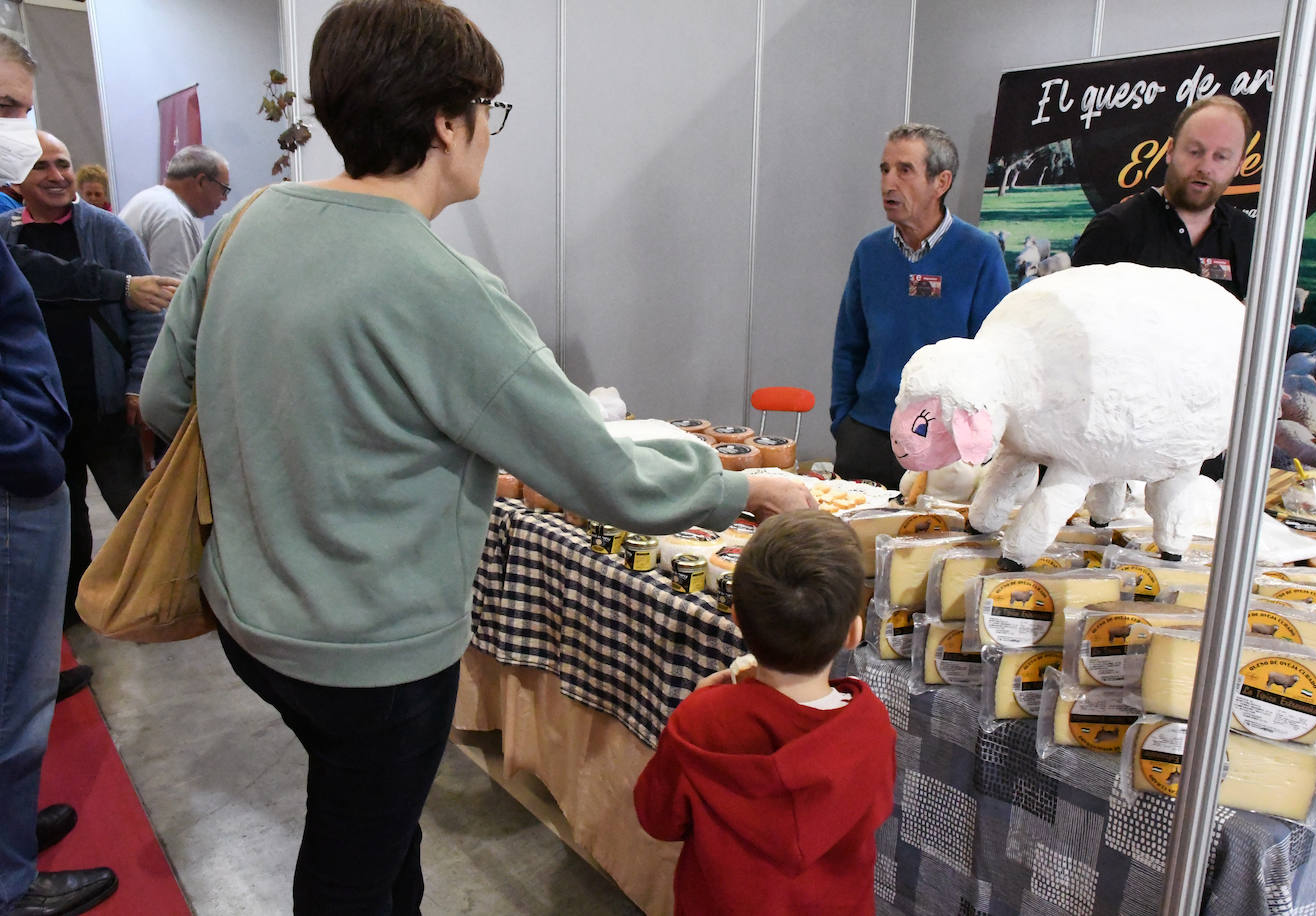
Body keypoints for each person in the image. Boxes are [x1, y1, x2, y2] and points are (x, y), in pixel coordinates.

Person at [139, 2, 814, 912]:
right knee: (351, 863)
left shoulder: (246, 222)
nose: (488, 136)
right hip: (372, 652)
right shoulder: (442, 286)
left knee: (375, 825)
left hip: (250, 617)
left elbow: (163, 403)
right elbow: (603, 472)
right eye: (485, 113)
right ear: (445, 123)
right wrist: (741, 484)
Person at [634, 510, 896, 915]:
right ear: (853, 633)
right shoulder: (871, 726)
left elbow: (658, 818)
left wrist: (694, 710)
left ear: (735, 618)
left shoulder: (702, 719)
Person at [0, 33, 118, 916]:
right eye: (6, 110)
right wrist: (30, 448)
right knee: (10, 700)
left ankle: (8, 830)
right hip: (16, 472)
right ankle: (9, 885)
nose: (27, 138)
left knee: (21, 682)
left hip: (44, 449)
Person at [0, 130, 160, 628]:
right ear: (16, 181)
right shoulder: (8, 237)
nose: (58, 175)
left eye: (63, 164)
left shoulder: (109, 231)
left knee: (137, 508)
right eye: (41, 167)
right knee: (64, 520)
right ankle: (72, 607)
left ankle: (160, 594)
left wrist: (138, 383)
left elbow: (149, 314)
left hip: (107, 405)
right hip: (41, 415)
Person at [830, 123, 1010, 489]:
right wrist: (843, 421)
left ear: (940, 182)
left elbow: (996, 359)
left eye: (905, 170)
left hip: (945, 448)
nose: (888, 183)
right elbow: (849, 344)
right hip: (867, 435)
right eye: (885, 169)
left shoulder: (979, 253)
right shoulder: (870, 252)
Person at [1070, 95, 1255, 301]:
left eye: (1221, 157)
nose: (1205, 167)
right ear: (1170, 150)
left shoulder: (1246, 235)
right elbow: (1077, 321)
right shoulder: (1114, 229)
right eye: (1194, 151)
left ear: (1239, 164)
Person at [120, 145, 230, 279]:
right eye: (223, 189)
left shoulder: (149, 199)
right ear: (201, 181)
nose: (224, 198)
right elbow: (173, 294)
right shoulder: (173, 217)